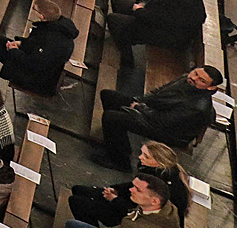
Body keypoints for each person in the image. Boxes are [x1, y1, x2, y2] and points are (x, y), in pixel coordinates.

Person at [93, 66, 223, 170]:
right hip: (156, 112)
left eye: (202, 80)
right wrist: (140, 101)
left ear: (211, 87)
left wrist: (139, 107)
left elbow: (163, 121)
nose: (194, 78)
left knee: (112, 118)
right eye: (195, 73)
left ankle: (120, 162)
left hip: (169, 132)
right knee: (108, 95)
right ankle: (118, 144)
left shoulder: (196, 107)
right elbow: (159, 92)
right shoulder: (187, 79)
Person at [0, 0, 78, 96]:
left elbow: (34, 63)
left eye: (34, 9)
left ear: (41, 16)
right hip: (33, 59)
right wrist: (21, 44)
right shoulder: (55, 26)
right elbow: (36, 43)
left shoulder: (53, 40)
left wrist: (14, 51)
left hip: (35, 77)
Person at [68, 142, 189, 228]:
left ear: (158, 163)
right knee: (78, 190)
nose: (140, 157)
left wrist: (115, 199)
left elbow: (136, 213)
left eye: (146, 156)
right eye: (142, 153)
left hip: (136, 221)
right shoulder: (159, 171)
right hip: (130, 205)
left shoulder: (158, 186)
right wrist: (114, 189)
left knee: (77, 202)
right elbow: (132, 186)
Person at [105, 0, 204, 56]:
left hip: (165, 34)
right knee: (117, 0)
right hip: (149, 14)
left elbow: (160, 20)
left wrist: (139, 10)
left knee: (114, 19)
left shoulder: (186, 1)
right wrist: (142, 2)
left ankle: (126, 56)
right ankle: (123, 31)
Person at [63, 172, 182, 228]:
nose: (130, 190)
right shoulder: (153, 207)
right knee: (73, 226)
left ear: (154, 201)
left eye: (138, 190)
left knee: (73, 227)